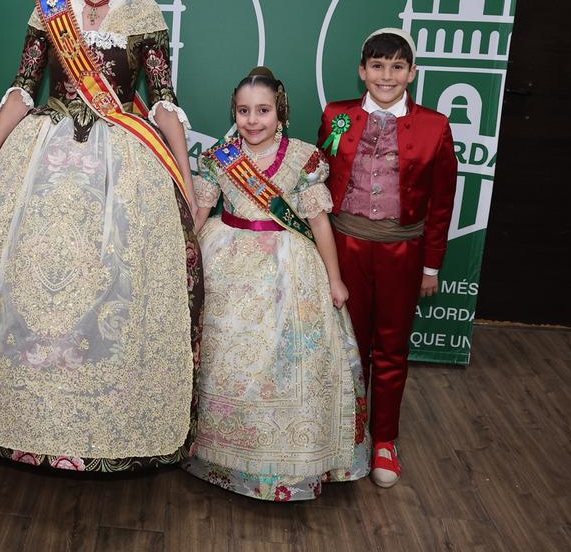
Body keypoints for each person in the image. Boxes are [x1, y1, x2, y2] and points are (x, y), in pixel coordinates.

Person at [0, 0, 202, 472]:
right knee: (32, 273)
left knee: (116, 278)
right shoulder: (49, 10)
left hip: (124, 160)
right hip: (44, 153)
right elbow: (22, 87)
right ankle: (30, 419)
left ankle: (104, 420)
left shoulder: (143, 13)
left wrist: (184, 180)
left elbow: (164, 101)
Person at [183, 67, 369, 500]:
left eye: (263, 110)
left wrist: (335, 278)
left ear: (279, 112)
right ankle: (218, 456)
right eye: (244, 111)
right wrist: (183, 259)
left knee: (282, 360)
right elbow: (199, 212)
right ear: (234, 112)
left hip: (289, 267)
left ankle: (284, 466)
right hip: (226, 259)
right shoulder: (219, 157)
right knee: (223, 357)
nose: (253, 120)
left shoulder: (304, 158)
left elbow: (320, 222)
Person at [317, 28, 457, 488]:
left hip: (402, 250)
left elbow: (441, 203)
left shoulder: (435, 126)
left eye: (397, 66)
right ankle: (348, 433)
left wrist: (431, 265)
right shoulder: (337, 115)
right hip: (345, 246)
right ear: (362, 71)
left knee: (392, 348)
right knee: (348, 346)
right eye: (377, 66)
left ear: (412, 73)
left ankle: (385, 439)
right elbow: (317, 184)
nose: (386, 75)